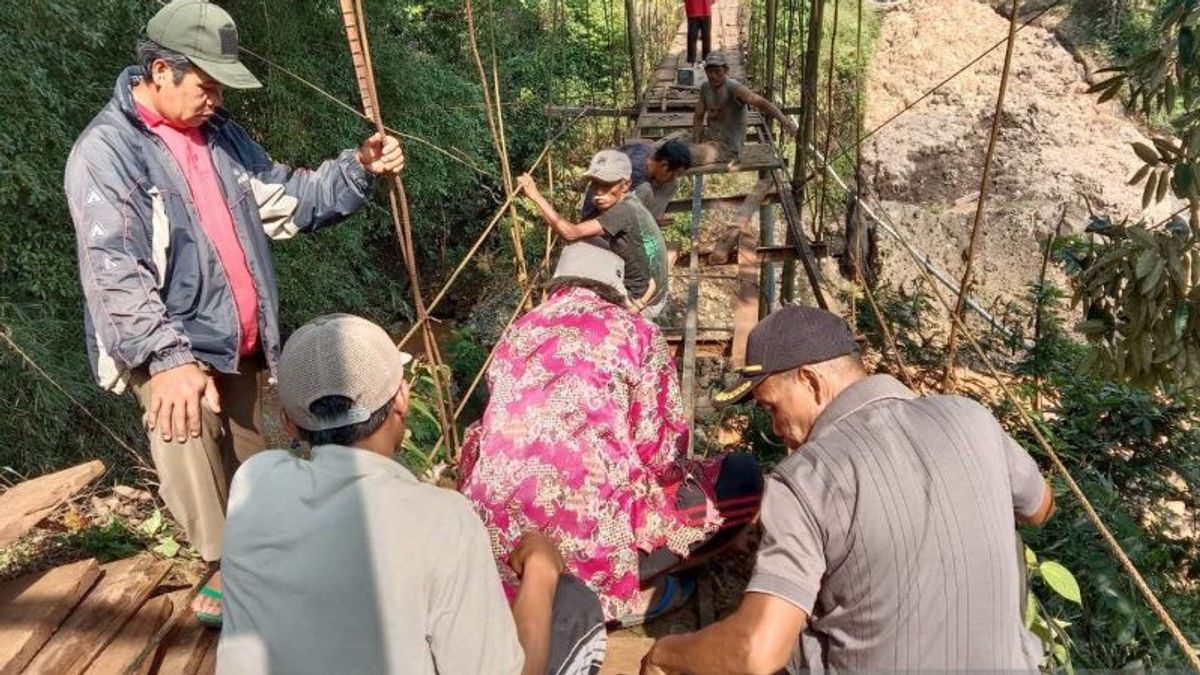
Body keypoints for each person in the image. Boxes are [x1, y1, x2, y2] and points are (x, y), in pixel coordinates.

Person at [63, 0, 404, 624]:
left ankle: (268, 552)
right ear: (160, 70)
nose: (215, 98)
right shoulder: (106, 154)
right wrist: (165, 360)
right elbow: (112, 268)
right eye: (206, 84)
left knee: (262, 464)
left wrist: (358, 167)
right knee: (181, 421)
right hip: (172, 347)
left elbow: (289, 196)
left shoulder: (220, 137)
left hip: (242, 342)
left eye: (221, 86)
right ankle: (223, 567)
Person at [639, 305, 1056, 674]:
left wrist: (667, 652)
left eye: (772, 408)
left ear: (811, 382)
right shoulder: (972, 417)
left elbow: (756, 652)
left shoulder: (806, 478)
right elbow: (1040, 508)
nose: (776, 428)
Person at [217, 314, 606, 675]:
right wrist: (540, 566)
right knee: (575, 603)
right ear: (401, 399)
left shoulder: (255, 480)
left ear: (288, 423)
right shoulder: (443, 517)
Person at [459, 243, 763, 626]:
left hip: (497, 549)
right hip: (585, 552)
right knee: (741, 477)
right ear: (617, 290)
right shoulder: (636, 332)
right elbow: (661, 454)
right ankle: (630, 593)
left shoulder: (517, 333)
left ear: (555, 287)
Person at [517, 151, 670, 317]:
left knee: (575, 247)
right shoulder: (631, 202)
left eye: (606, 185)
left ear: (625, 185)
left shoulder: (623, 211)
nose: (598, 192)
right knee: (585, 241)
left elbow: (570, 233)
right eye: (595, 185)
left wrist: (534, 195)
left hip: (642, 302)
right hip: (655, 291)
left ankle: (558, 308)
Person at [692, 51, 799, 165]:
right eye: (709, 72)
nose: (713, 76)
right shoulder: (705, 88)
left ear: (726, 70)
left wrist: (785, 122)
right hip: (710, 137)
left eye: (717, 71)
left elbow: (762, 103)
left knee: (685, 155)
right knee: (673, 144)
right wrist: (696, 142)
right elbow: (698, 117)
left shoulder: (735, 89)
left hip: (727, 147)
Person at [580, 138, 693, 225]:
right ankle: (640, 227)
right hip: (598, 215)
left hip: (624, 201)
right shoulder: (633, 170)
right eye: (674, 173)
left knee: (672, 184)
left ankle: (651, 221)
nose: (674, 177)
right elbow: (602, 198)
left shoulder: (648, 152)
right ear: (664, 165)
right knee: (645, 190)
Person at [684, 0, 713, 66]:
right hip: (693, 9)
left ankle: (706, 59)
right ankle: (692, 61)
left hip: (705, 9)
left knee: (706, 36)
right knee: (692, 36)